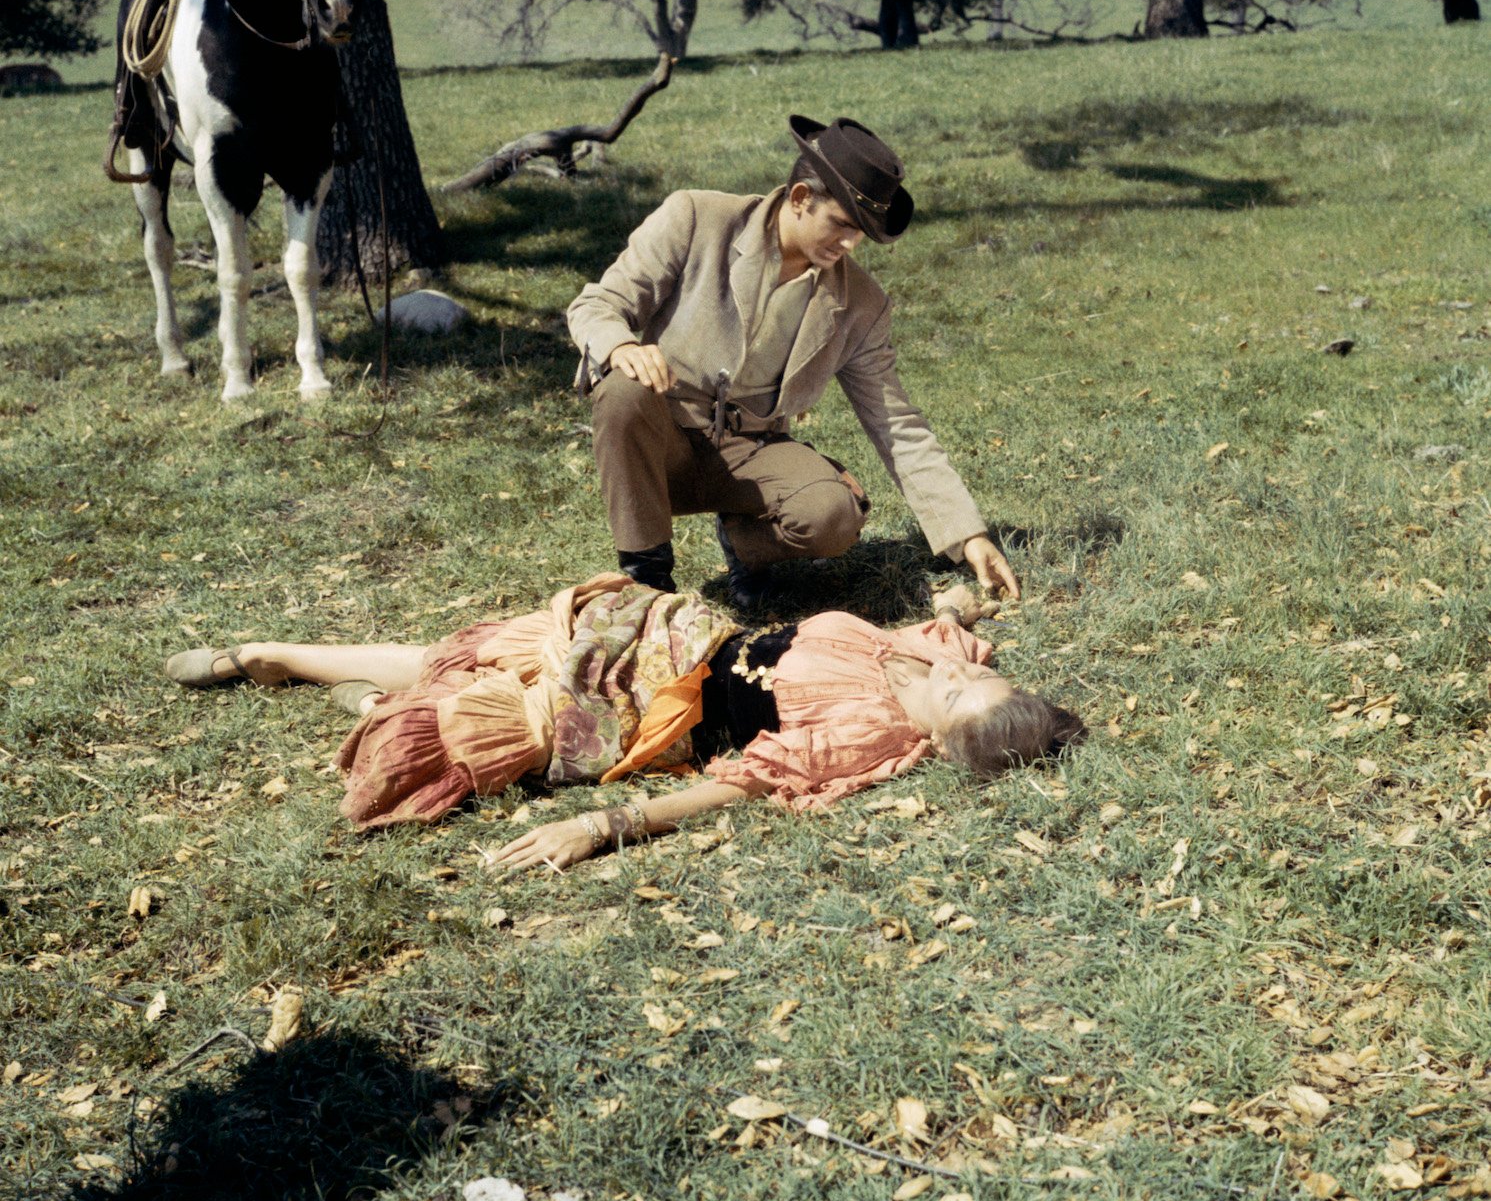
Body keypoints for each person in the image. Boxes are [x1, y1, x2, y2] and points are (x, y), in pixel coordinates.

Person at [164, 577, 1084, 873]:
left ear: (942, 740)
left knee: (490, 714)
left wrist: (602, 826)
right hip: (668, 629)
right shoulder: (928, 656)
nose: (960, 672)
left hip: (641, 711)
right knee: (486, 647)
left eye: (962, 696)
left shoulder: (867, 738)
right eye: (974, 673)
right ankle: (273, 651)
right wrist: (961, 600)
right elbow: (952, 630)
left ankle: (371, 710)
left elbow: (743, 782)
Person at [567, 113, 1021, 610]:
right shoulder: (696, 218)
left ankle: (745, 546)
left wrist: (967, 535)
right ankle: (647, 583)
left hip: (751, 450)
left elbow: (897, 425)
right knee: (621, 388)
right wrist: (622, 347)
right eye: (843, 225)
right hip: (661, 444)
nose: (850, 245)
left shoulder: (861, 304)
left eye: (862, 232)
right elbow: (596, 306)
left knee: (832, 515)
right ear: (801, 198)